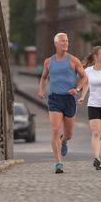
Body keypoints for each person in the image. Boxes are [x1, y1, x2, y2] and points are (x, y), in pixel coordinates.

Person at [38, 32, 88, 174]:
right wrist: (41, 90)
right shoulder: (48, 62)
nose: (65, 43)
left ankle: (64, 140)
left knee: (69, 134)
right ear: (55, 44)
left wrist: (77, 89)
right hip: (54, 99)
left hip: (69, 99)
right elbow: (43, 77)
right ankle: (59, 163)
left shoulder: (73, 60)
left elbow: (84, 77)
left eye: (67, 41)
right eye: (62, 41)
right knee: (55, 129)